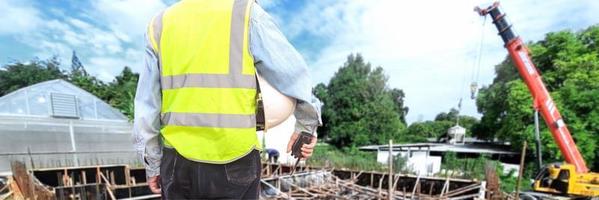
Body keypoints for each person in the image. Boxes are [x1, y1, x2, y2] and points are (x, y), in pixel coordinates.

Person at [132, 0, 321, 199]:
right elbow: (292, 74)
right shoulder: (246, 13)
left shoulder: (160, 24)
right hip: (235, 159)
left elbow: (147, 104)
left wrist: (152, 164)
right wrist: (307, 126)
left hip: (176, 163)